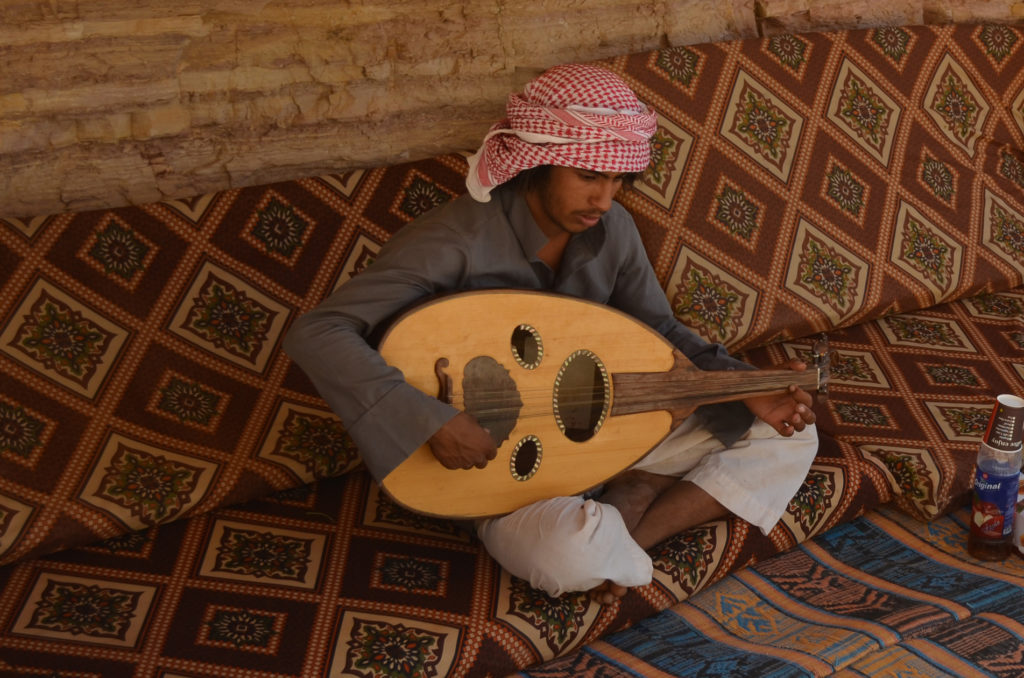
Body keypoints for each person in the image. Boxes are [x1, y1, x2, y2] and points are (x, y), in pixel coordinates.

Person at [283, 63, 817, 603]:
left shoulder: (614, 231)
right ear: (535, 164)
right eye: (588, 177)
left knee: (788, 430)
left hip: (609, 431)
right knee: (567, 557)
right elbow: (318, 331)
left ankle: (635, 518)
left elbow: (658, 329)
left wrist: (744, 384)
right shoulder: (451, 241)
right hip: (500, 476)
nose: (604, 200)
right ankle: (614, 525)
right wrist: (431, 421)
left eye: (616, 181)